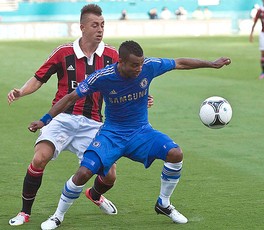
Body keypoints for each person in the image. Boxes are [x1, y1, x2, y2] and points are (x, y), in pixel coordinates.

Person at [29, 40, 231, 229]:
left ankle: (164, 203)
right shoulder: (103, 77)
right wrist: (44, 120)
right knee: (83, 173)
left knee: (175, 154)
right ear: (121, 62)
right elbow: (71, 97)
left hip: (141, 132)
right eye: (134, 65)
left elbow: (180, 63)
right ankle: (57, 216)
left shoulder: (149, 66)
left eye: (141, 64)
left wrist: (212, 64)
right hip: (111, 134)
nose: (139, 69)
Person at [7, 4, 154, 227]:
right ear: (82, 27)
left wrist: (144, 97)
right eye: (95, 25)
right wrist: (21, 91)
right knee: (39, 158)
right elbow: (39, 77)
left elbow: (132, 80)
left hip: (93, 121)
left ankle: (94, 195)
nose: (100, 29)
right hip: (62, 118)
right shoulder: (63, 52)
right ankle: (24, 212)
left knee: (110, 176)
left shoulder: (114, 55)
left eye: (103, 25)